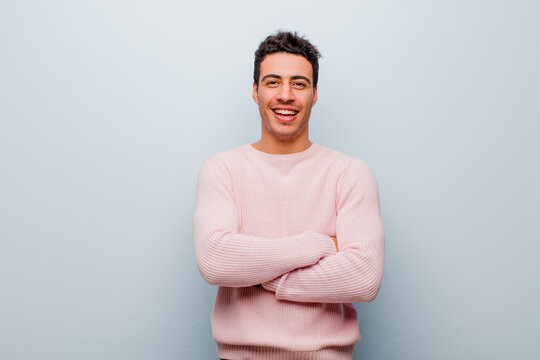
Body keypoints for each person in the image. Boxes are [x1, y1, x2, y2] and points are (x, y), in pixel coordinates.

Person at [192, 31, 385, 360]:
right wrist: (319, 244)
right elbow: (214, 260)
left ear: (314, 94)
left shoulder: (350, 173)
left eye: (299, 83)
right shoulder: (221, 168)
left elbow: (364, 278)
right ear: (255, 91)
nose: (285, 95)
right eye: (272, 82)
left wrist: (257, 274)